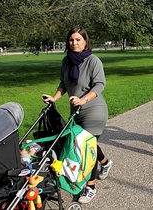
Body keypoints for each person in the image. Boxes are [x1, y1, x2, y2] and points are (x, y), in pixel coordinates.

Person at [42, 27, 113, 204]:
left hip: (94, 110)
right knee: (88, 144)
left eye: (78, 40)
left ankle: (91, 186)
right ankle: (105, 162)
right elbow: (63, 84)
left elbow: (99, 85)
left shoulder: (93, 61)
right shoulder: (67, 61)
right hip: (76, 111)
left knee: (85, 147)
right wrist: (54, 98)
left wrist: (83, 100)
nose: (74, 43)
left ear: (85, 41)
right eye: (71, 40)